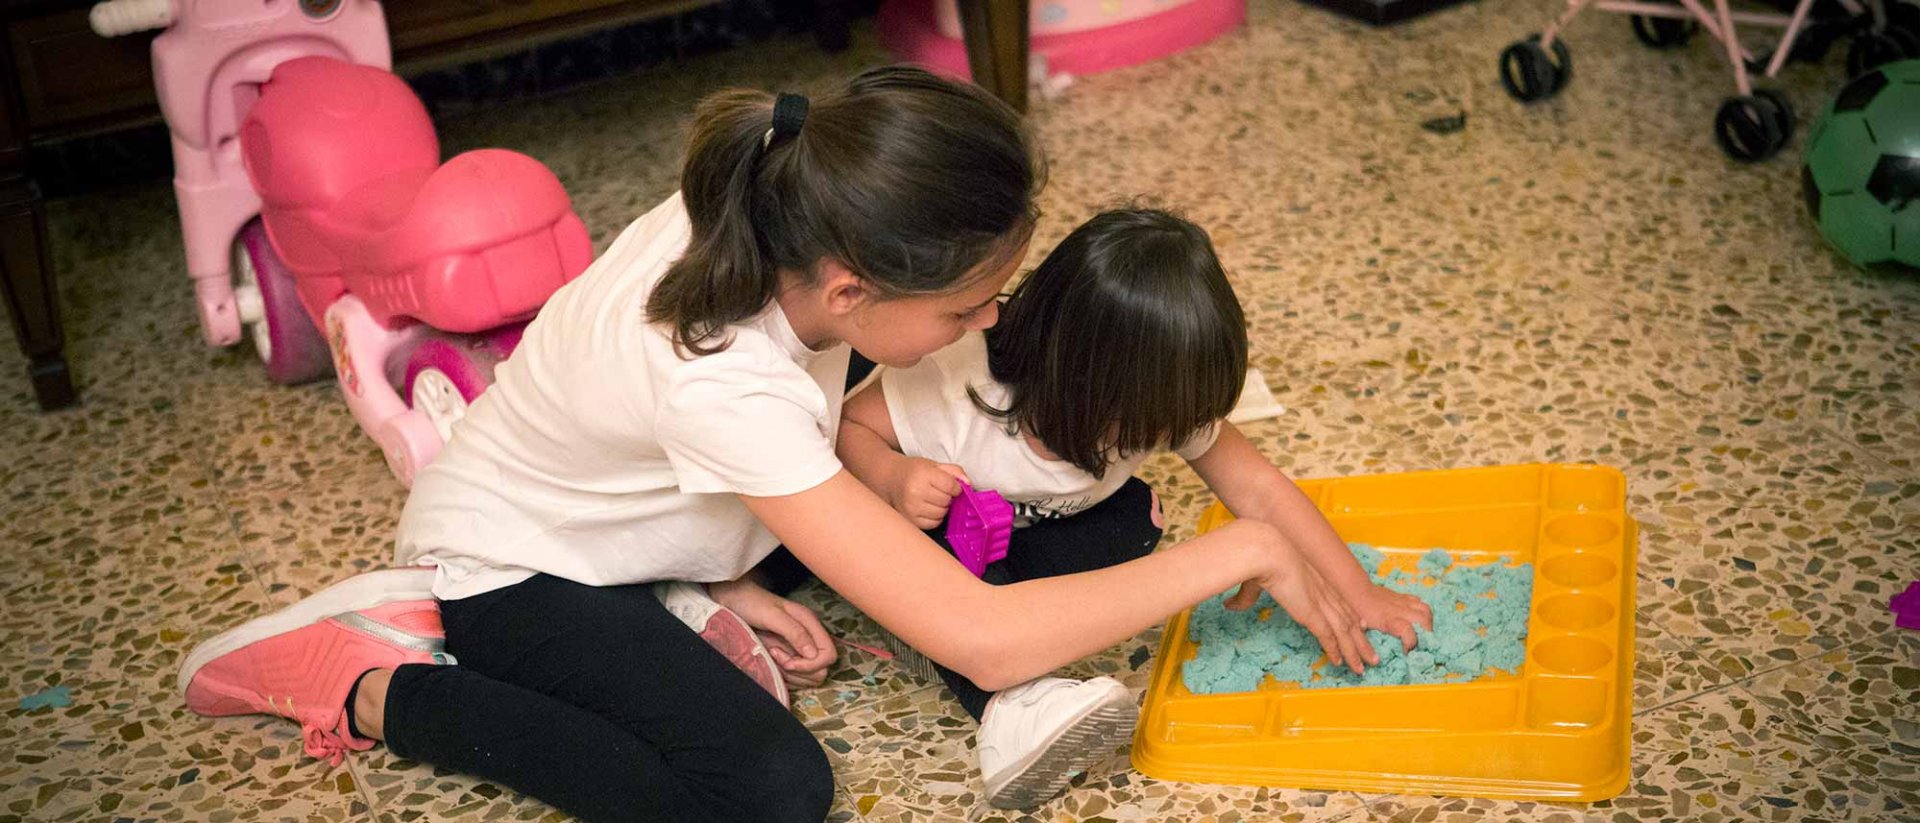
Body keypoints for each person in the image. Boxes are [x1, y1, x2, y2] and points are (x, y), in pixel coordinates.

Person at [175, 68, 1376, 823]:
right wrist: (1241, 550)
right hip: (516, 560)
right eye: (966, 308)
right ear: (853, 288)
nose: (991, 326)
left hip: (672, 511)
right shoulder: (719, 372)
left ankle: (690, 590)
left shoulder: (782, 200)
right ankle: (366, 678)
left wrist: (738, 562)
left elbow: (795, 445)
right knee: (765, 793)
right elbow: (980, 632)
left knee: (983, 525)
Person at [817, 207, 1433, 807]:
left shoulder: (1153, 391)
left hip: (1026, 535)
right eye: (1144, 428)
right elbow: (844, 432)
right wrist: (894, 476)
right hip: (943, 545)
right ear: (1079, 380)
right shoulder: (951, 386)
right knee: (940, 564)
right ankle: (1012, 703)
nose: (1165, 439)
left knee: (1138, 519)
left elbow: (1261, 490)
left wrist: (1360, 594)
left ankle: (1031, 616)